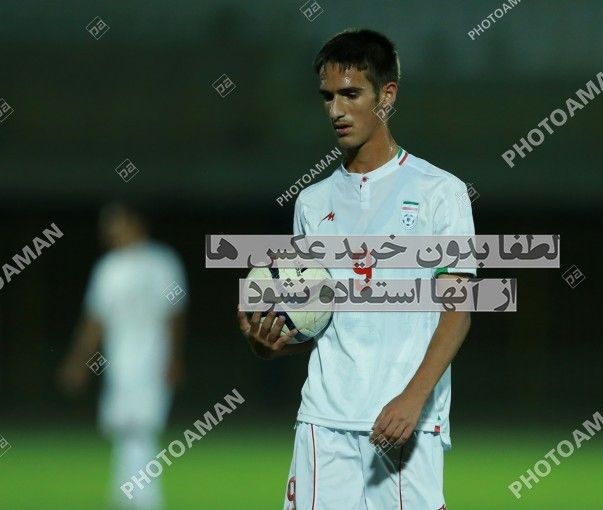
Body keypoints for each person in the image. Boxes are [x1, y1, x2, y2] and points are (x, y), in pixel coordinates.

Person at [238, 28, 475, 510]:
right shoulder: (312, 202)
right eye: (327, 97)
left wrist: (413, 398)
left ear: (387, 95)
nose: (336, 110)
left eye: (351, 94)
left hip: (404, 424)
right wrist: (272, 341)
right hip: (323, 423)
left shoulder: (440, 192)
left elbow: (458, 313)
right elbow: (316, 319)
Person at [59, 203, 187, 510]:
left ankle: (144, 497)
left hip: (153, 359)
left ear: (136, 224)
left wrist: (173, 357)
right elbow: (95, 321)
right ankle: (126, 493)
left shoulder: (161, 262)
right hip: (118, 363)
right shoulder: (108, 268)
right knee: (123, 426)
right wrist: (78, 362)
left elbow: (175, 313)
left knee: (141, 425)